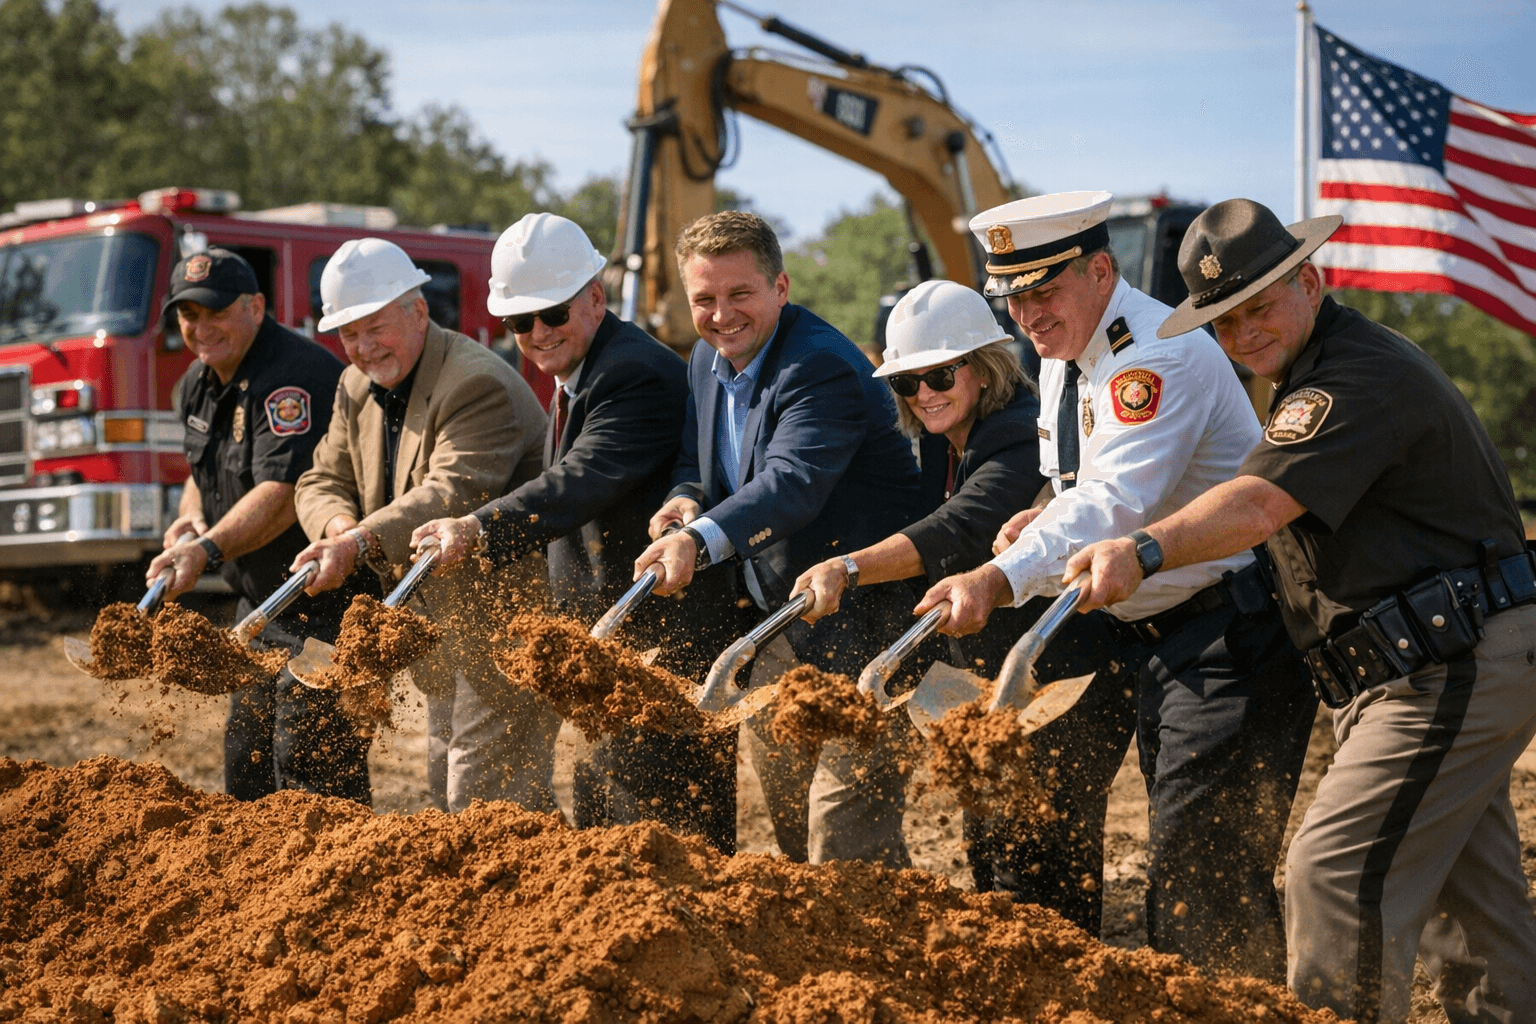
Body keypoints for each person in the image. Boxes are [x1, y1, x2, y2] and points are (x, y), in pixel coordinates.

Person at [1066, 198, 1536, 1023]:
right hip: (1429, 660)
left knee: (1335, 873)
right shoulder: (1314, 378)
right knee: (1472, 903)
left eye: (1260, 306)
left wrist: (1143, 549)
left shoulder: (1349, 380)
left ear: (1309, 283)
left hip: (1448, 663)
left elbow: (1254, 506)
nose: (1244, 332)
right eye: (1225, 320)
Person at [919, 191, 1317, 979]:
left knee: (1202, 871)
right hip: (1131, 627)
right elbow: (1076, 483)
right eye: (1013, 299)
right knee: (1044, 808)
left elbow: (1114, 503)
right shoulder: (1065, 352)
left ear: (1100, 271)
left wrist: (997, 578)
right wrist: (1039, 514)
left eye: (1044, 291)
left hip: (1225, 634)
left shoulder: (1155, 356)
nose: (1028, 315)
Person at [789, 278, 1133, 930]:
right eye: (906, 383)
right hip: (996, 684)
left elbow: (962, 527)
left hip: (1065, 676)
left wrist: (849, 567)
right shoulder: (941, 442)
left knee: (1041, 867)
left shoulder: (1017, 434)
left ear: (983, 367)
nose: (924, 394)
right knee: (992, 855)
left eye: (940, 375)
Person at [409, 213, 735, 849]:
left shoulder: (632, 373)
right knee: (604, 816)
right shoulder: (583, 371)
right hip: (617, 638)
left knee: (663, 835)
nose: (537, 333)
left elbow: (581, 480)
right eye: (519, 321)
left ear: (595, 297)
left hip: (663, 641)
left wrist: (476, 528)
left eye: (553, 313)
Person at [633, 210, 922, 867]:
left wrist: (697, 541)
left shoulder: (820, 366)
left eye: (740, 293)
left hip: (864, 623)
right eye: (704, 299)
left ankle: (880, 933)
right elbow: (697, 461)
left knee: (845, 835)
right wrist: (685, 498)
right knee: (791, 819)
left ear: (781, 287)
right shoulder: (704, 360)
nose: (721, 315)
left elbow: (792, 482)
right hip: (777, 623)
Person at [290, 237, 558, 814]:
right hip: (441, 628)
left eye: (375, 328)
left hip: (506, 628)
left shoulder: (475, 382)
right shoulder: (355, 385)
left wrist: (357, 541)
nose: (363, 348)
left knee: (483, 799)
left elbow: (449, 493)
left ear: (418, 311)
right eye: (349, 334)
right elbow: (320, 479)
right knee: (448, 788)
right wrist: (339, 526)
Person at [149, 247, 375, 805]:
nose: (201, 327)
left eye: (216, 311)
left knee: (310, 761)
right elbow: (203, 470)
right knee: (246, 761)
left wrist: (205, 549)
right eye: (189, 314)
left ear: (255, 307)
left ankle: (339, 857)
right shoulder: (197, 382)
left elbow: (283, 494)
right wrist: (189, 519)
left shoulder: (296, 376)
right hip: (260, 601)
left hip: (325, 597)